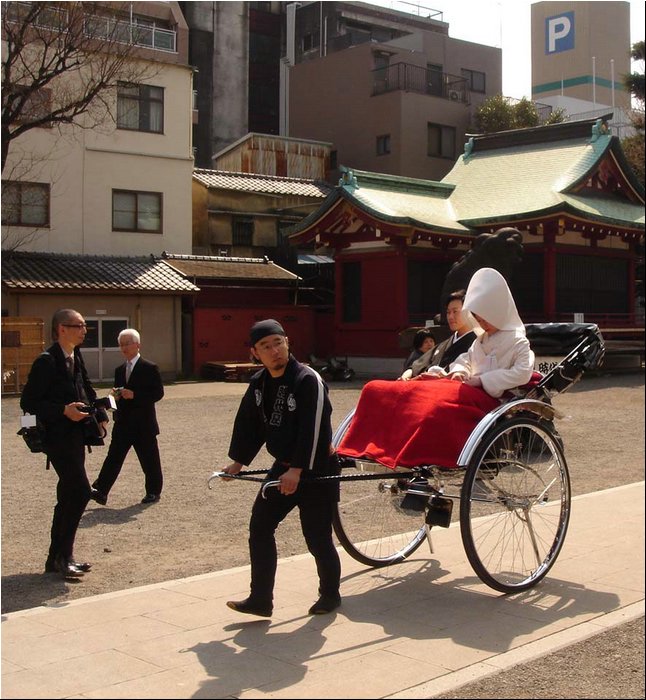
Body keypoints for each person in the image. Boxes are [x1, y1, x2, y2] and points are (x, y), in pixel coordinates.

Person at [338, 269, 535, 469]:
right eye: (478, 318)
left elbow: (523, 372)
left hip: (486, 396)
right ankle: (376, 446)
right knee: (378, 389)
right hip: (464, 388)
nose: (482, 323)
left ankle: (408, 453)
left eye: (485, 318)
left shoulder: (518, 340)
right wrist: (460, 371)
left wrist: (483, 380)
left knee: (434, 406)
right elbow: (465, 360)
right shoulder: (481, 339)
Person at [222, 319, 342, 617]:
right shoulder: (260, 384)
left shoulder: (307, 380)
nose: (274, 350)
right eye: (266, 346)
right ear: (255, 353)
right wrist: (238, 462)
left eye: (278, 343)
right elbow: (249, 425)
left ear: (288, 342)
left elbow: (314, 430)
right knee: (260, 527)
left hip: (316, 468)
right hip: (284, 466)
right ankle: (260, 598)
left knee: (317, 537)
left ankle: (330, 594)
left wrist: (298, 470)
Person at [20, 309, 109, 580]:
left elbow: (86, 387)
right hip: (57, 439)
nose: (84, 330)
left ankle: (55, 557)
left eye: (84, 326)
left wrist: (101, 413)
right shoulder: (46, 361)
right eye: (78, 326)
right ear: (61, 329)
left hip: (76, 437)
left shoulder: (75, 356)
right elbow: (28, 404)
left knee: (67, 495)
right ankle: (63, 556)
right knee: (81, 492)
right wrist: (63, 411)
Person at [91, 329, 164, 506]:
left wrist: (135, 395)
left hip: (143, 423)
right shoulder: (120, 370)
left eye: (127, 343)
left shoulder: (149, 368)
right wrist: (112, 399)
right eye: (121, 344)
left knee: (149, 459)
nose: (123, 347)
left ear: (137, 345)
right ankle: (101, 490)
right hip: (123, 422)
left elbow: (158, 393)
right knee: (113, 457)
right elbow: (117, 393)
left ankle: (153, 491)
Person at [400, 290, 476, 380]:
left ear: (468, 312)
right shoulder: (443, 345)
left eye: (455, 311)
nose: (450, 317)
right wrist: (405, 376)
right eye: (448, 312)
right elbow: (416, 365)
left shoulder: (476, 344)